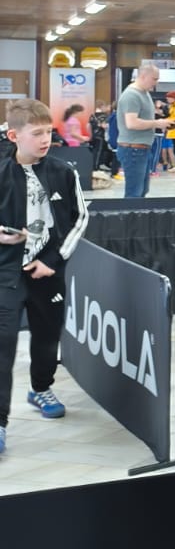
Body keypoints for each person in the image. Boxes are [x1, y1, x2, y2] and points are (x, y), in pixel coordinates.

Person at [0, 99, 88, 455]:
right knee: (3, 342)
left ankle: (40, 388)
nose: (45, 139)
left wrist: (53, 260)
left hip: (47, 273)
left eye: (48, 132)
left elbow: (80, 218)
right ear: (13, 136)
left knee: (47, 337)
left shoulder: (64, 171)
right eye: (36, 133)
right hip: (5, 273)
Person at [115, 62, 161, 198]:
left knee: (142, 191)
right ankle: (129, 212)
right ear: (143, 76)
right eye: (154, 79)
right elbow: (132, 123)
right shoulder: (131, 95)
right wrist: (157, 123)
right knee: (134, 193)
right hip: (133, 150)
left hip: (142, 149)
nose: (156, 83)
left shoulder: (144, 94)